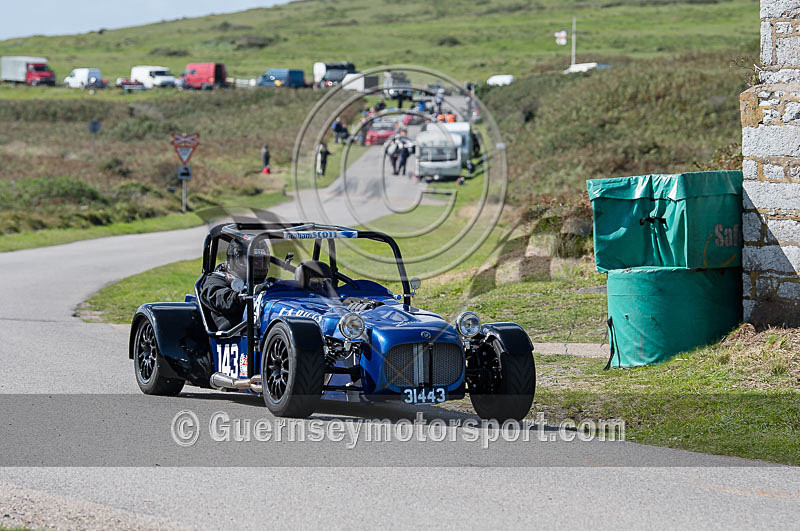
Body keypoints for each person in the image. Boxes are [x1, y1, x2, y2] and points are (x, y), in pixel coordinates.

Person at [199, 240, 269, 331]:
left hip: (263, 330)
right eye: (251, 260)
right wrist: (245, 295)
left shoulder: (266, 283)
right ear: (235, 260)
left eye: (260, 260)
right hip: (234, 337)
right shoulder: (216, 279)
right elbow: (221, 298)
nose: (256, 264)